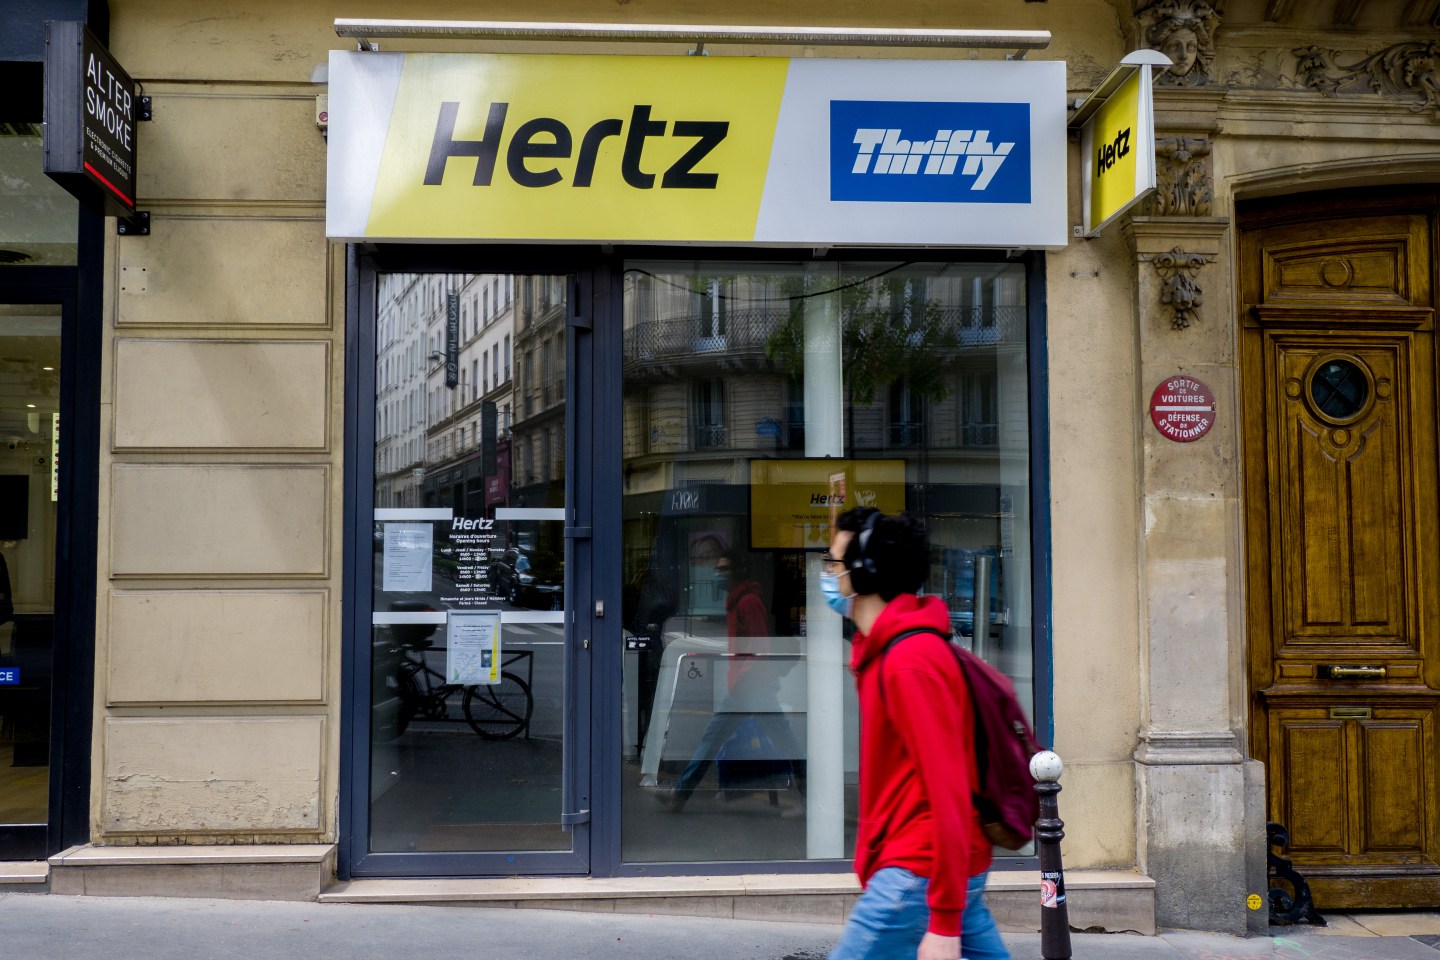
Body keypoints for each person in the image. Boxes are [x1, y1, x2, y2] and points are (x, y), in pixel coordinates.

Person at [824, 508, 1009, 960]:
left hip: (919, 871)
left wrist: (943, 923)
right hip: (939, 867)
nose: (829, 576)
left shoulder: (909, 661)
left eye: (834, 564)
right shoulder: (885, 649)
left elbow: (946, 790)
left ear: (863, 572)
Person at [656, 549, 805, 816]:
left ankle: (680, 793)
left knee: (720, 740)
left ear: (737, 573)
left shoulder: (748, 602)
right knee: (776, 742)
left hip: (752, 687)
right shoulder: (738, 601)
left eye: (724, 569)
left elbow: (760, 646)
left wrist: (744, 677)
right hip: (747, 688)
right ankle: (680, 793)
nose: (719, 574)